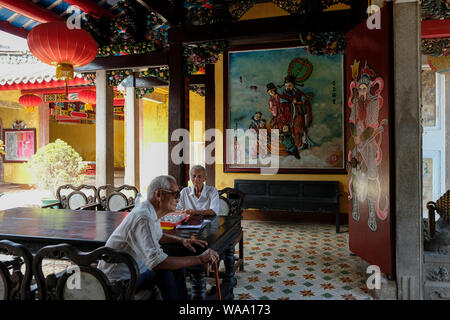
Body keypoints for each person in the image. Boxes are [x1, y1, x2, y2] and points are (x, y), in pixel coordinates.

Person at [98, 175, 219, 300]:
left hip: (134, 272)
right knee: (165, 272)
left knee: (176, 268)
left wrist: (182, 240)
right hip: (119, 282)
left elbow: (158, 235)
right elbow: (157, 262)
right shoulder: (143, 217)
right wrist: (200, 259)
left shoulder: (149, 211)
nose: (178, 199)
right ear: (159, 195)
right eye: (175, 194)